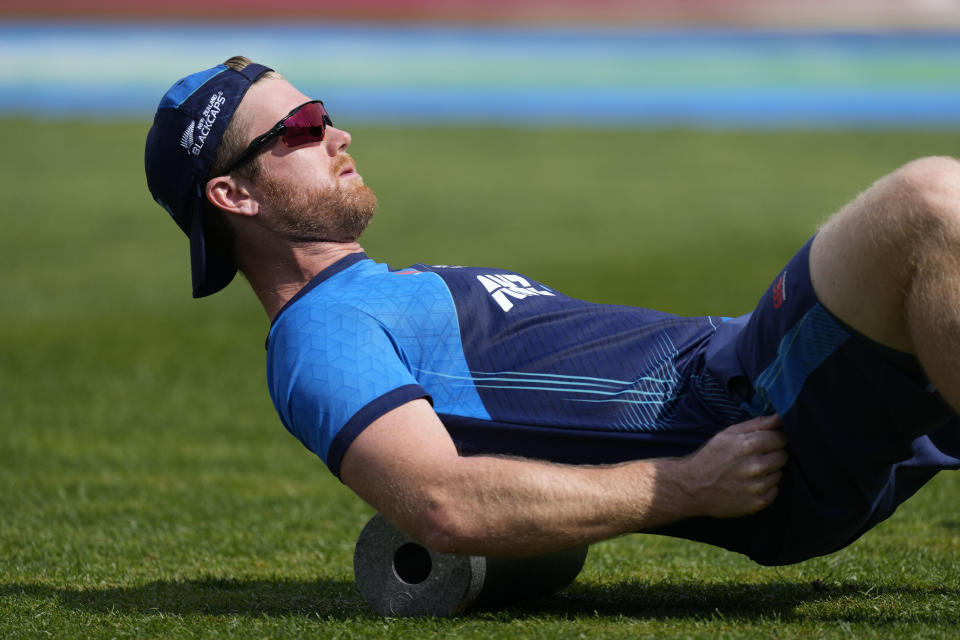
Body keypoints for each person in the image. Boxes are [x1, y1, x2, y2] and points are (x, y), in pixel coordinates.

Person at [145, 57, 960, 567]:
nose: (338, 133)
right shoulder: (321, 331)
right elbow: (442, 504)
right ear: (233, 194)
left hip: (747, 364)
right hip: (752, 409)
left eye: (323, 113)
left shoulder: (379, 293)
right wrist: (685, 485)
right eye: (302, 127)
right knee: (928, 202)